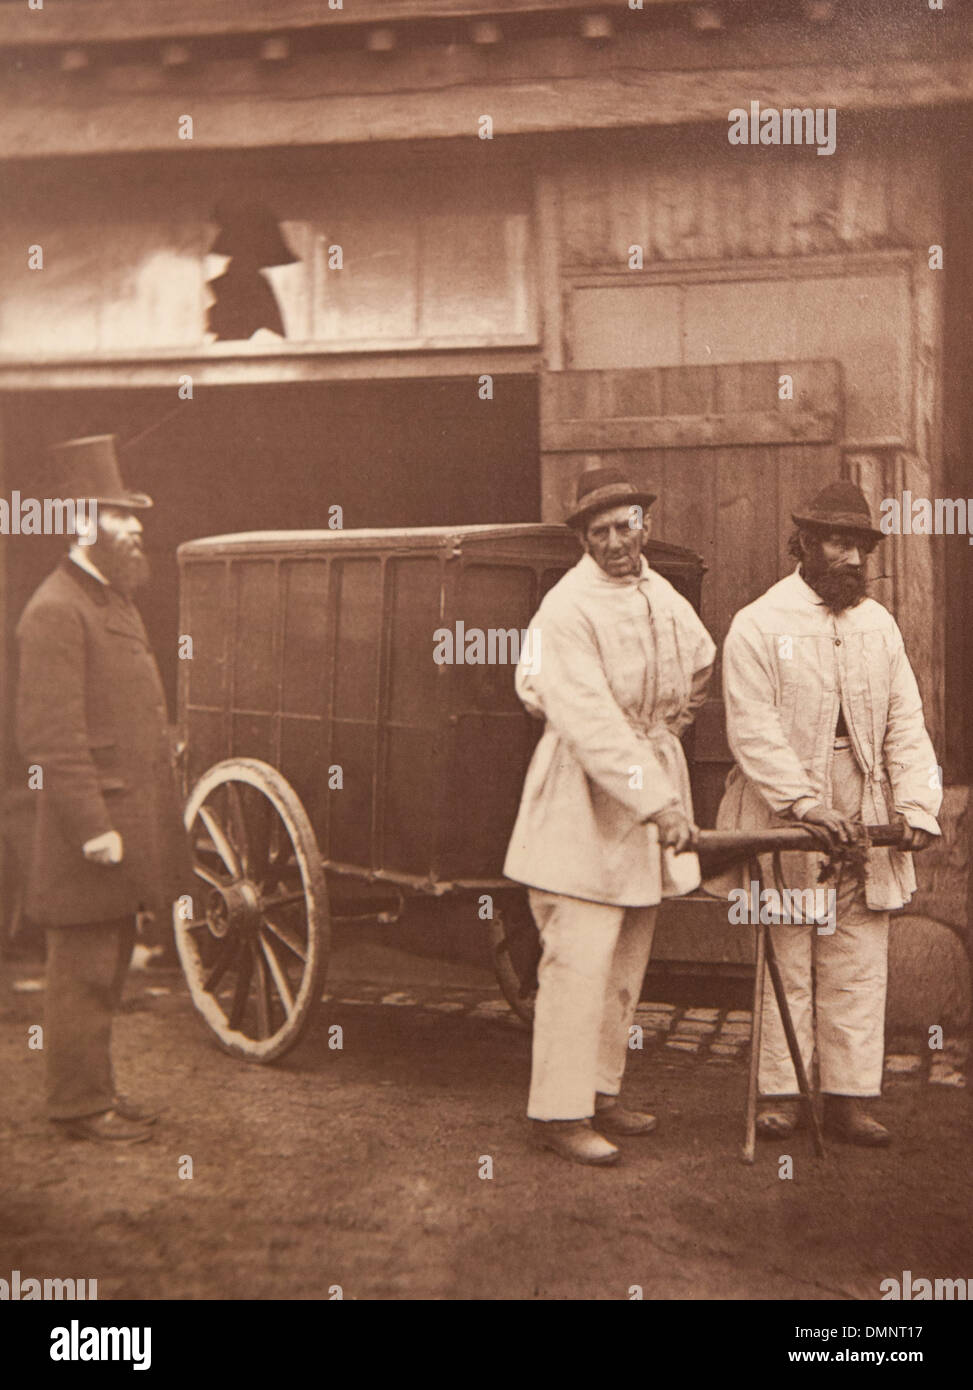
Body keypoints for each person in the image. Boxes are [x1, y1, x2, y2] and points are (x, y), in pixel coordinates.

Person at [716, 480, 941, 1146]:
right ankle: (780, 1092)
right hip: (786, 801)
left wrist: (915, 806)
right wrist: (803, 803)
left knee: (858, 950)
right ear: (805, 543)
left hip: (864, 798)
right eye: (838, 542)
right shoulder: (758, 623)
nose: (851, 558)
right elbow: (751, 729)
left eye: (861, 546)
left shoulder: (877, 625)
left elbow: (905, 720)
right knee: (787, 948)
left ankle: (847, 1095)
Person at [504, 467, 716, 1166]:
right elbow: (591, 723)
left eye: (626, 525)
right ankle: (557, 1113)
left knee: (624, 964)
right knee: (576, 961)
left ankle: (600, 1090)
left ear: (643, 525)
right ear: (583, 540)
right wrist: (655, 798)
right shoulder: (567, 609)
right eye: (599, 532)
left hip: (644, 792)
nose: (616, 541)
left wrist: (667, 729)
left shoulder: (660, 594)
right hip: (578, 801)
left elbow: (699, 662)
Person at [16, 435, 189, 1145]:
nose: (136, 526)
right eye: (121, 516)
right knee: (81, 975)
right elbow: (51, 738)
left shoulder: (108, 599)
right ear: (84, 524)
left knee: (108, 965)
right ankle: (79, 1109)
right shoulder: (55, 610)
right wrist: (92, 826)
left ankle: (98, 1093)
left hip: (127, 819)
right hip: (88, 830)